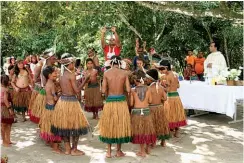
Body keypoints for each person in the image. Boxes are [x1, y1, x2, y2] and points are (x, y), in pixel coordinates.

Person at [51, 53, 90, 156]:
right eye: (73, 63)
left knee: (64, 125)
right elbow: (77, 91)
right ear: (70, 64)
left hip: (62, 101)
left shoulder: (61, 74)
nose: (74, 65)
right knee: (76, 125)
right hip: (71, 102)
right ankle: (74, 149)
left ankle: (68, 149)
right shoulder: (71, 75)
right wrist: (85, 79)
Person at [98, 56, 131, 158]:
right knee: (120, 125)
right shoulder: (124, 73)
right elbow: (129, 89)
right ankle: (118, 151)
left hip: (110, 102)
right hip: (121, 101)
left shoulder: (106, 73)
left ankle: (108, 152)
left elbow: (103, 91)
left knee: (109, 125)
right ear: (120, 63)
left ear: (111, 63)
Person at [156, 59, 187, 138]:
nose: (161, 71)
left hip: (170, 97)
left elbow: (167, 89)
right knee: (176, 114)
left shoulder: (166, 76)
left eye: (162, 69)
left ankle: (171, 130)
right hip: (176, 96)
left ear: (166, 67)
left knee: (170, 114)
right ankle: (176, 131)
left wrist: (161, 86)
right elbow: (178, 86)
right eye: (160, 69)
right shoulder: (175, 75)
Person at [130, 70, 156, 157]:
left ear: (135, 80)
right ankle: (147, 148)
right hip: (146, 111)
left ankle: (142, 151)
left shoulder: (133, 90)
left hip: (137, 112)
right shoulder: (148, 89)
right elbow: (150, 101)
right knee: (147, 130)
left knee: (140, 132)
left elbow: (131, 103)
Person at [39, 66, 62, 153]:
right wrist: (59, 94)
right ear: (49, 75)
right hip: (53, 108)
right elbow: (55, 98)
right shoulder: (52, 85)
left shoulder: (47, 84)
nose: (56, 74)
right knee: (55, 127)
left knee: (49, 126)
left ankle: (52, 143)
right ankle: (55, 148)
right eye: (54, 73)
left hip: (47, 108)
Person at [30, 49, 57, 124]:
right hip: (46, 92)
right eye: (53, 57)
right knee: (45, 113)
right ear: (48, 57)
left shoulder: (51, 66)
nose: (55, 58)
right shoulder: (42, 66)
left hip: (49, 91)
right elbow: (36, 80)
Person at [145, 69, 170, 147]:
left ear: (150, 79)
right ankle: (163, 141)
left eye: (146, 78)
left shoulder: (148, 89)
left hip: (151, 109)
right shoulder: (161, 87)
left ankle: (153, 142)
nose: (145, 80)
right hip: (160, 108)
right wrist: (159, 99)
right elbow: (165, 98)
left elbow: (148, 100)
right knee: (161, 124)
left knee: (153, 125)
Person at [1, 75, 14, 147]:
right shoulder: (5, 89)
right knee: (4, 124)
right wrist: (10, 109)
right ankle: (4, 141)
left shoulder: (5, 88)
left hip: (5, 106)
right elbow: (5, 100)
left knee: (8, 124)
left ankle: (8, 140)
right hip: (4, 107)